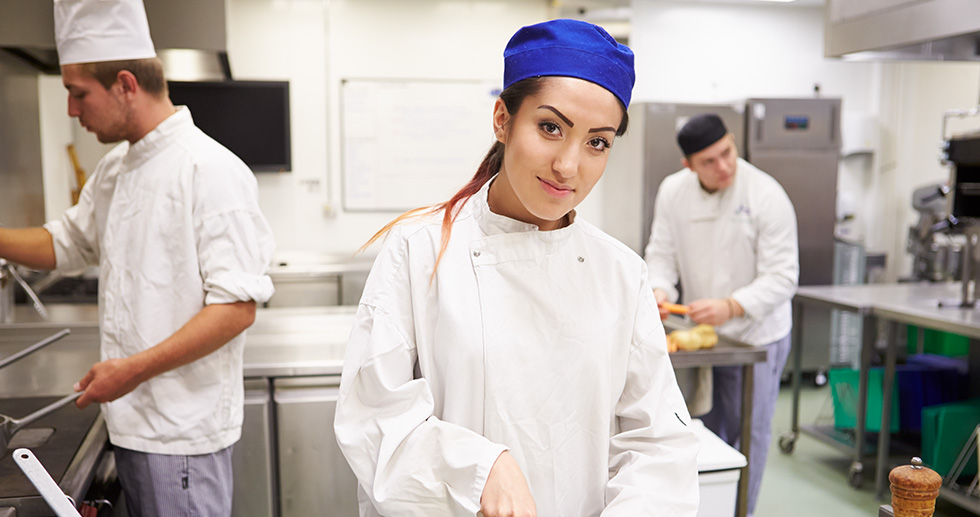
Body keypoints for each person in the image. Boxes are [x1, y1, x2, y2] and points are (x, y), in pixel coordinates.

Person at [334, 19, 699, 517]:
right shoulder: (419, 250)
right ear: (502, 120)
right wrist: (481, 468)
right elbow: (374, 417)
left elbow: (659, 445)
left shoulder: (620, 274)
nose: (568, 166)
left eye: (598, 142)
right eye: (551, 128)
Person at [0, 0, 275, 515]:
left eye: (78, 94)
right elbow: (64, 243)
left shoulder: (210, 169)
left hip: (182, 437)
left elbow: (236, 308)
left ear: (126, 84)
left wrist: (131, 370)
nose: (72, 111)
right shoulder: (114, 169)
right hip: (130, 425)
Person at [643, 113, 799, 516]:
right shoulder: (673, 192)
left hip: (755, 334)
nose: (724, 166)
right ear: (689, 165)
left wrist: (731, 305)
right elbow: (661, 254)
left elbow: (783, 277)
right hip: (702, 334)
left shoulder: (766, 194)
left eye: (727, 153)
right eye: (709, 161)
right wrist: (660, 289)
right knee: (700, 430)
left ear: (733, 142)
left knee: (748, 435)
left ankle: (740, 510)